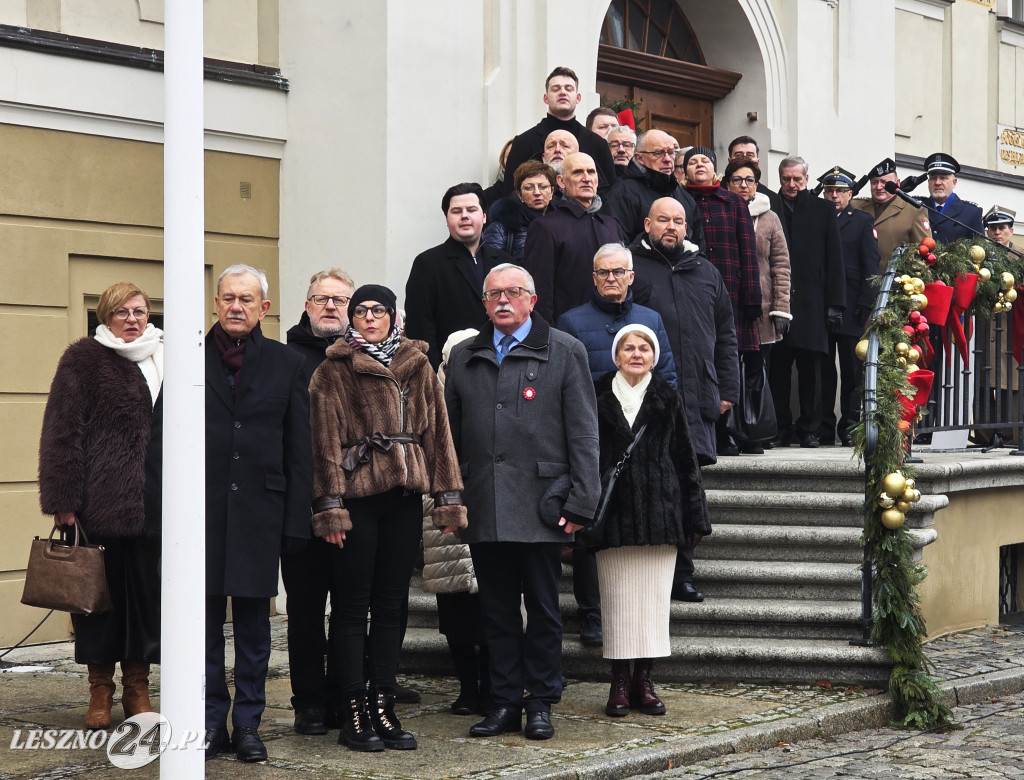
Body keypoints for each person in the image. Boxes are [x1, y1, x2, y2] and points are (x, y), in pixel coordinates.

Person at [444, 263, 601, 741]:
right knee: (495, 612)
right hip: (484, 503)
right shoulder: (465, 357)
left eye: (514, 292)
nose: (503, 301)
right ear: (485, 303)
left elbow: (583, 431)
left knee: (544, 610)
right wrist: (450, 498)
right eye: (494, 295)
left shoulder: (565, 351)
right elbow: (448, 437)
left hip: (542, 503)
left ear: (532, 300)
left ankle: (541, 702)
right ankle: (505, 701)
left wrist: (581, 501)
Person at [309, 284, 467, 752]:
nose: (370, 317)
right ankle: (354, 708)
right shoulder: (330, 370)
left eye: (379, 310)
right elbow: (323, 446)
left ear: (394, 316)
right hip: (356, 500)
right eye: (361, 311)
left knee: (393, 605)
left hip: (403, 498)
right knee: (353, 606)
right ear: (352, 319)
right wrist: (331, 509)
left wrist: (448, 501)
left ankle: (384, 703)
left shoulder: (417, 365)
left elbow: (439, 434)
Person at [38, 281, 162, 731]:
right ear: (104, 317)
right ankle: (100, 690)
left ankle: (137, 687)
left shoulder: (164, 356)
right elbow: (61, 430)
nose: (132, 319)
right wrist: (63, 501)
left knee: (144, 600)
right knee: (96, 603)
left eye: (139, 311)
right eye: (121, 312)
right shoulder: (83, 359)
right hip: (98, 507)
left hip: (153, 504)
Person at [204, 265, 312, 763]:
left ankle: (248, 723)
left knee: (252, 628)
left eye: (246, 299)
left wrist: (295, 521)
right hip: (200, 516)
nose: (236, 307)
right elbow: (160, 444)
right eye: (228, 297)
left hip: (259, 514)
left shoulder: (287, 363)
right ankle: (208, 722)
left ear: (263, 308)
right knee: (201, 628)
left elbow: (299, 449)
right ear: (216, 302)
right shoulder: (187, 357)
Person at [555, 242, 678, 649]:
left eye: (618, 272)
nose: (612, 279)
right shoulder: (571, 322)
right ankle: (592, 614)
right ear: (594, 278)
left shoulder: (650, 319)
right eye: (604, 272)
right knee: (595, 529)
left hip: (645, 445)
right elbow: (566, 386)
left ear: (631, 276)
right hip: (596, 444)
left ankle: (641, 626)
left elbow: (669, 379)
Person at [593, 324, 710, 717]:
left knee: (653, 606)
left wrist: (696, 516)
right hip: (614, 518)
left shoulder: (666, 395)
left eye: (644, 348)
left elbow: (686, 459)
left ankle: (645, 681)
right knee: (617, 604)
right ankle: (619, 683)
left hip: (660, 514)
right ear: (617, 355)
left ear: (654, 356)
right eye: (629, 348)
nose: (637, 354)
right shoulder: (595, 395)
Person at [630, 198, 737, 604]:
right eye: (662, 220)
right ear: (647, 223)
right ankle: (649, 574)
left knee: (688, 489)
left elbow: (725, 334)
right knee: (650, 488)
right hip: (645, 398)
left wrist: (727, 390)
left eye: (678, 220)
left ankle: (682, 576)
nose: (671, 227)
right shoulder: (632, 268)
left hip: (696, 397)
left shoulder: (706, 272)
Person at [282, 268, 356, 735]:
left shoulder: (365, 356)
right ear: (307, 305)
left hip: (358, 506)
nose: (330, 306)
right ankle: (308, 701)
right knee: (305, 611)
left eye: (340, 300)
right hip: (302, 505)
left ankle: (346, 696)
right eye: (321, 298)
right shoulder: (284, 358)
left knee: (352, 609)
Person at [422, 328, 491, 717]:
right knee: (455, 615)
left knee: (491, 606)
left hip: (482, 506)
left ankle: (492, 684)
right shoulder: (432, 391)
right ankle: (467, 688)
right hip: (442, 515)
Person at [680, 146, 762, 456]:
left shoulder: (733, 203)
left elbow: (748, 251)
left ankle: (725, 428)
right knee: (701, 361)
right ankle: (702, 429)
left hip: (731, 294)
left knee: (727, 362)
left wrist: (752, 296)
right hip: (693, 297)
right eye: (692, 161)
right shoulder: (679, 200)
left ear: (715, 169)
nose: (698, 164)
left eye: (705, 160)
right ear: (684, 170)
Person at [770, 157, 846, 449]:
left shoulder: (822, 209)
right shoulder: (769, 206)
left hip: (813, 304)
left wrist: (835, 304)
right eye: (787, 179)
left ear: (806, 179)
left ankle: (810, 430)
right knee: (777, 371)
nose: (792, 185)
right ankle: (780, 428)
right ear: (780, 179)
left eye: (797, 180)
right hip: (778, 302)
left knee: (811, 373)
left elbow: (834, 259)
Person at [405, 183, 514, 369]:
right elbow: (420, 328)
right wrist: (437, 374)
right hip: (451, 370)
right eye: (456, 211)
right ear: (447, 220)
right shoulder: (427, 264)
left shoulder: (505, 263)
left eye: (472, 209)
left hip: (504, 366)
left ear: (484, 216)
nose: (465, 216)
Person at [522, 152, 623, 323]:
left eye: (591, 172)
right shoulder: (545, 227)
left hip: (614, 326)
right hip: (568, 332)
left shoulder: (611, 225)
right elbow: (540, 291)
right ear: (561, 182)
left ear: (597, 180)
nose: (586, 178)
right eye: (578, 172)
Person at [819, 167, 880, 445]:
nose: (834, 196)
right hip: (820, 307)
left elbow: (871, 265)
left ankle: (850, 425)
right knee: (823, 370)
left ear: (850, 194)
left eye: (840, 191)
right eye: (829, 191)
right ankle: (822, 426)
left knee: (852, 371)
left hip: (851, 307)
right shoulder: (816, 218)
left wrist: (865, 303)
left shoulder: (862, 221)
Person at [501, 66, 617, 198]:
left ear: (578, 98)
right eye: (556, 89)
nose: (562, 92)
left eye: (569, 89)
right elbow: (511, 193)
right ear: (546, 98)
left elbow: (610, 194)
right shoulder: (524, 142)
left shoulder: (598, 144)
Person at [723, 158, 791, 375]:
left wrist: (781, 308)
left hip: (761, 307)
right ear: (727, 184)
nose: (744, 185)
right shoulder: (720, 213)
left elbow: (781, 265)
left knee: (757, 377)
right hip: (727, 303)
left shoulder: (770, 218)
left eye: (750, 180)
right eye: (738, 179)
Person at [602, 129, 702, 247]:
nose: (667, 159)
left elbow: (699, 246)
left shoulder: (684, 197)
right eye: (658, 153)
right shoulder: (622, 194)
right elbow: (616, 246)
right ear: (639, 158)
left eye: (671, 152)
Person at [852, 158, 931, 271]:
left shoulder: (913, 211)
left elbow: (925, 252)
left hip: (894, 283)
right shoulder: (856, 206)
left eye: (885, 182)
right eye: (874, 182)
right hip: (858, 282)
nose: (879, 187)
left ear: (897, 183)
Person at [481, 161, 556, 260]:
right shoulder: (501, 229)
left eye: (543, 187)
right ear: (519, 194)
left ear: (552, 191)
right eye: (529, 188)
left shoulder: (564, 222)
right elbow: (492, 266)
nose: (537, 192)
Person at [919, 153, 983, 245]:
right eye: (933, 178)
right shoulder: (918, 207)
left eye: (943, 178)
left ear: (954, 182)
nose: (937, 182)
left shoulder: (971, 213)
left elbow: (979, 251)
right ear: (928, 182)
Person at [727, 135, 782, 213]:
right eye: (738, 155)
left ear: (757, 161)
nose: (745, 159)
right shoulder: (716, 193)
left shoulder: (773, 199)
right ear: (729, 161)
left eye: (750, 155)